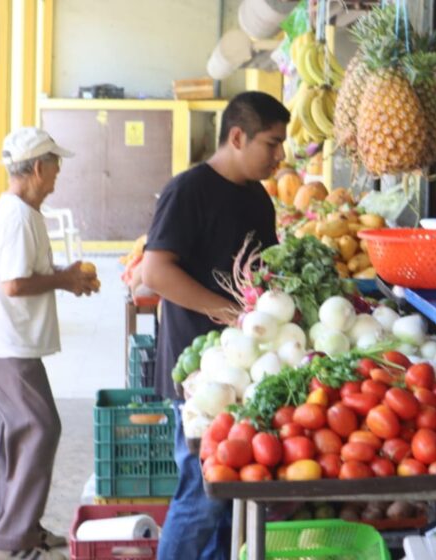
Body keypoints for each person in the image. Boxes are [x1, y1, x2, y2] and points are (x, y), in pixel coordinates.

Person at [141, 91, 288, 560]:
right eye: (272, 143)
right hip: (199, 378)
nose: (280, 156)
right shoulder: (188, 190)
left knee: (229, 505)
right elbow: (155, 272)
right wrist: (227, 312)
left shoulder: (258, 199)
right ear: (238, 136)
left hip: (243, 369)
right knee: (201, 497)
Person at [0, 127, 97, 560]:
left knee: (19, 432)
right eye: (56, 165)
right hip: (8, 345)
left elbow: (24, 272)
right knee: (41, 428)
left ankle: (21, 527)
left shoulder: (21, 211)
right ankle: (12, 540)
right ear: (39, 167)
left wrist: (67, 275)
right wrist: (65, 279)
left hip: (5, 342)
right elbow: (14, 284)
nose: (59, 174)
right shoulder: (19, 216)